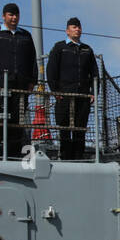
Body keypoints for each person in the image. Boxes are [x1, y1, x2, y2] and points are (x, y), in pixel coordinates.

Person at [0, 4, 38, 159]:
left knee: (18, 120)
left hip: (21, 85)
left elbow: (33, 59)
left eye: (16, 15)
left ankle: (14, 154)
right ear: (4, 16)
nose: (14, 18)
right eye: (11, 15)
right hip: (0, 84)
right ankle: (0, 154)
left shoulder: (25, 35)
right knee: (0, 118)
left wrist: (33, 80)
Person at [47, 18, 97, 161]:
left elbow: (94, 73)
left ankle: (78, 157)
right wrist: (55, 90)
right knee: (64, 128)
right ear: (67, 30)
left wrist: (93, 92)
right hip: (64, 96)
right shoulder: (59, 48)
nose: (77, 29)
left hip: (82, 96)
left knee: (80, 129)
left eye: (79, 27)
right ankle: (65, 157)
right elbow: (51, 70)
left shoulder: (87, 50)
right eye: (74, 27)